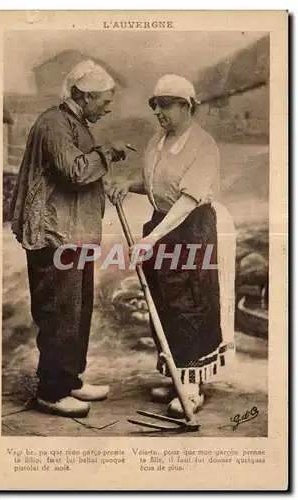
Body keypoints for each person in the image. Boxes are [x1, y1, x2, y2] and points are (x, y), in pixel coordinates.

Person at [109, 74, 236, 418]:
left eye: (164, 104)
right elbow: (159, 186)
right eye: (154, 104)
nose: (158, 111)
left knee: (189, 304)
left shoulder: (202, 145)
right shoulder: (158, 140)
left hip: (191, 228)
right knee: (162, 302)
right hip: (162, 224)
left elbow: (187, 199)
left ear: (186, 106)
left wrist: (151, 239)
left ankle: (192, 387)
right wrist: (128, 185)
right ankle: (177, 376)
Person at [10, 60, 128, 418]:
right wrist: (107, 153)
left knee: (77, 311)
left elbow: (82, 173)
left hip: (73, 236)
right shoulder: (53, 124)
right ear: (86, 95)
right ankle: (52, 391)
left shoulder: (74, 123)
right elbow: (75, 171)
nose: (108, 107)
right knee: (60, 313)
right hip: (53, 236)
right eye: (104, 101)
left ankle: (71, 380)